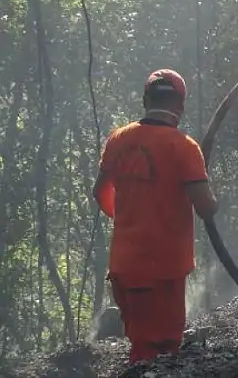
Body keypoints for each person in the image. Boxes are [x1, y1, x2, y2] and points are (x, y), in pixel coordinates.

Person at [92, 69, 218, 365]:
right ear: (181, 105)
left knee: (142, 345)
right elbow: (205, 207)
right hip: (163, 271)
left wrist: (129, 219)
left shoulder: (117, 139)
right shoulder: (184, 147)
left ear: (146, 99)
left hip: (124, 267)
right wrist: (213, 200)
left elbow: (100, 192)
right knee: (159, 352)